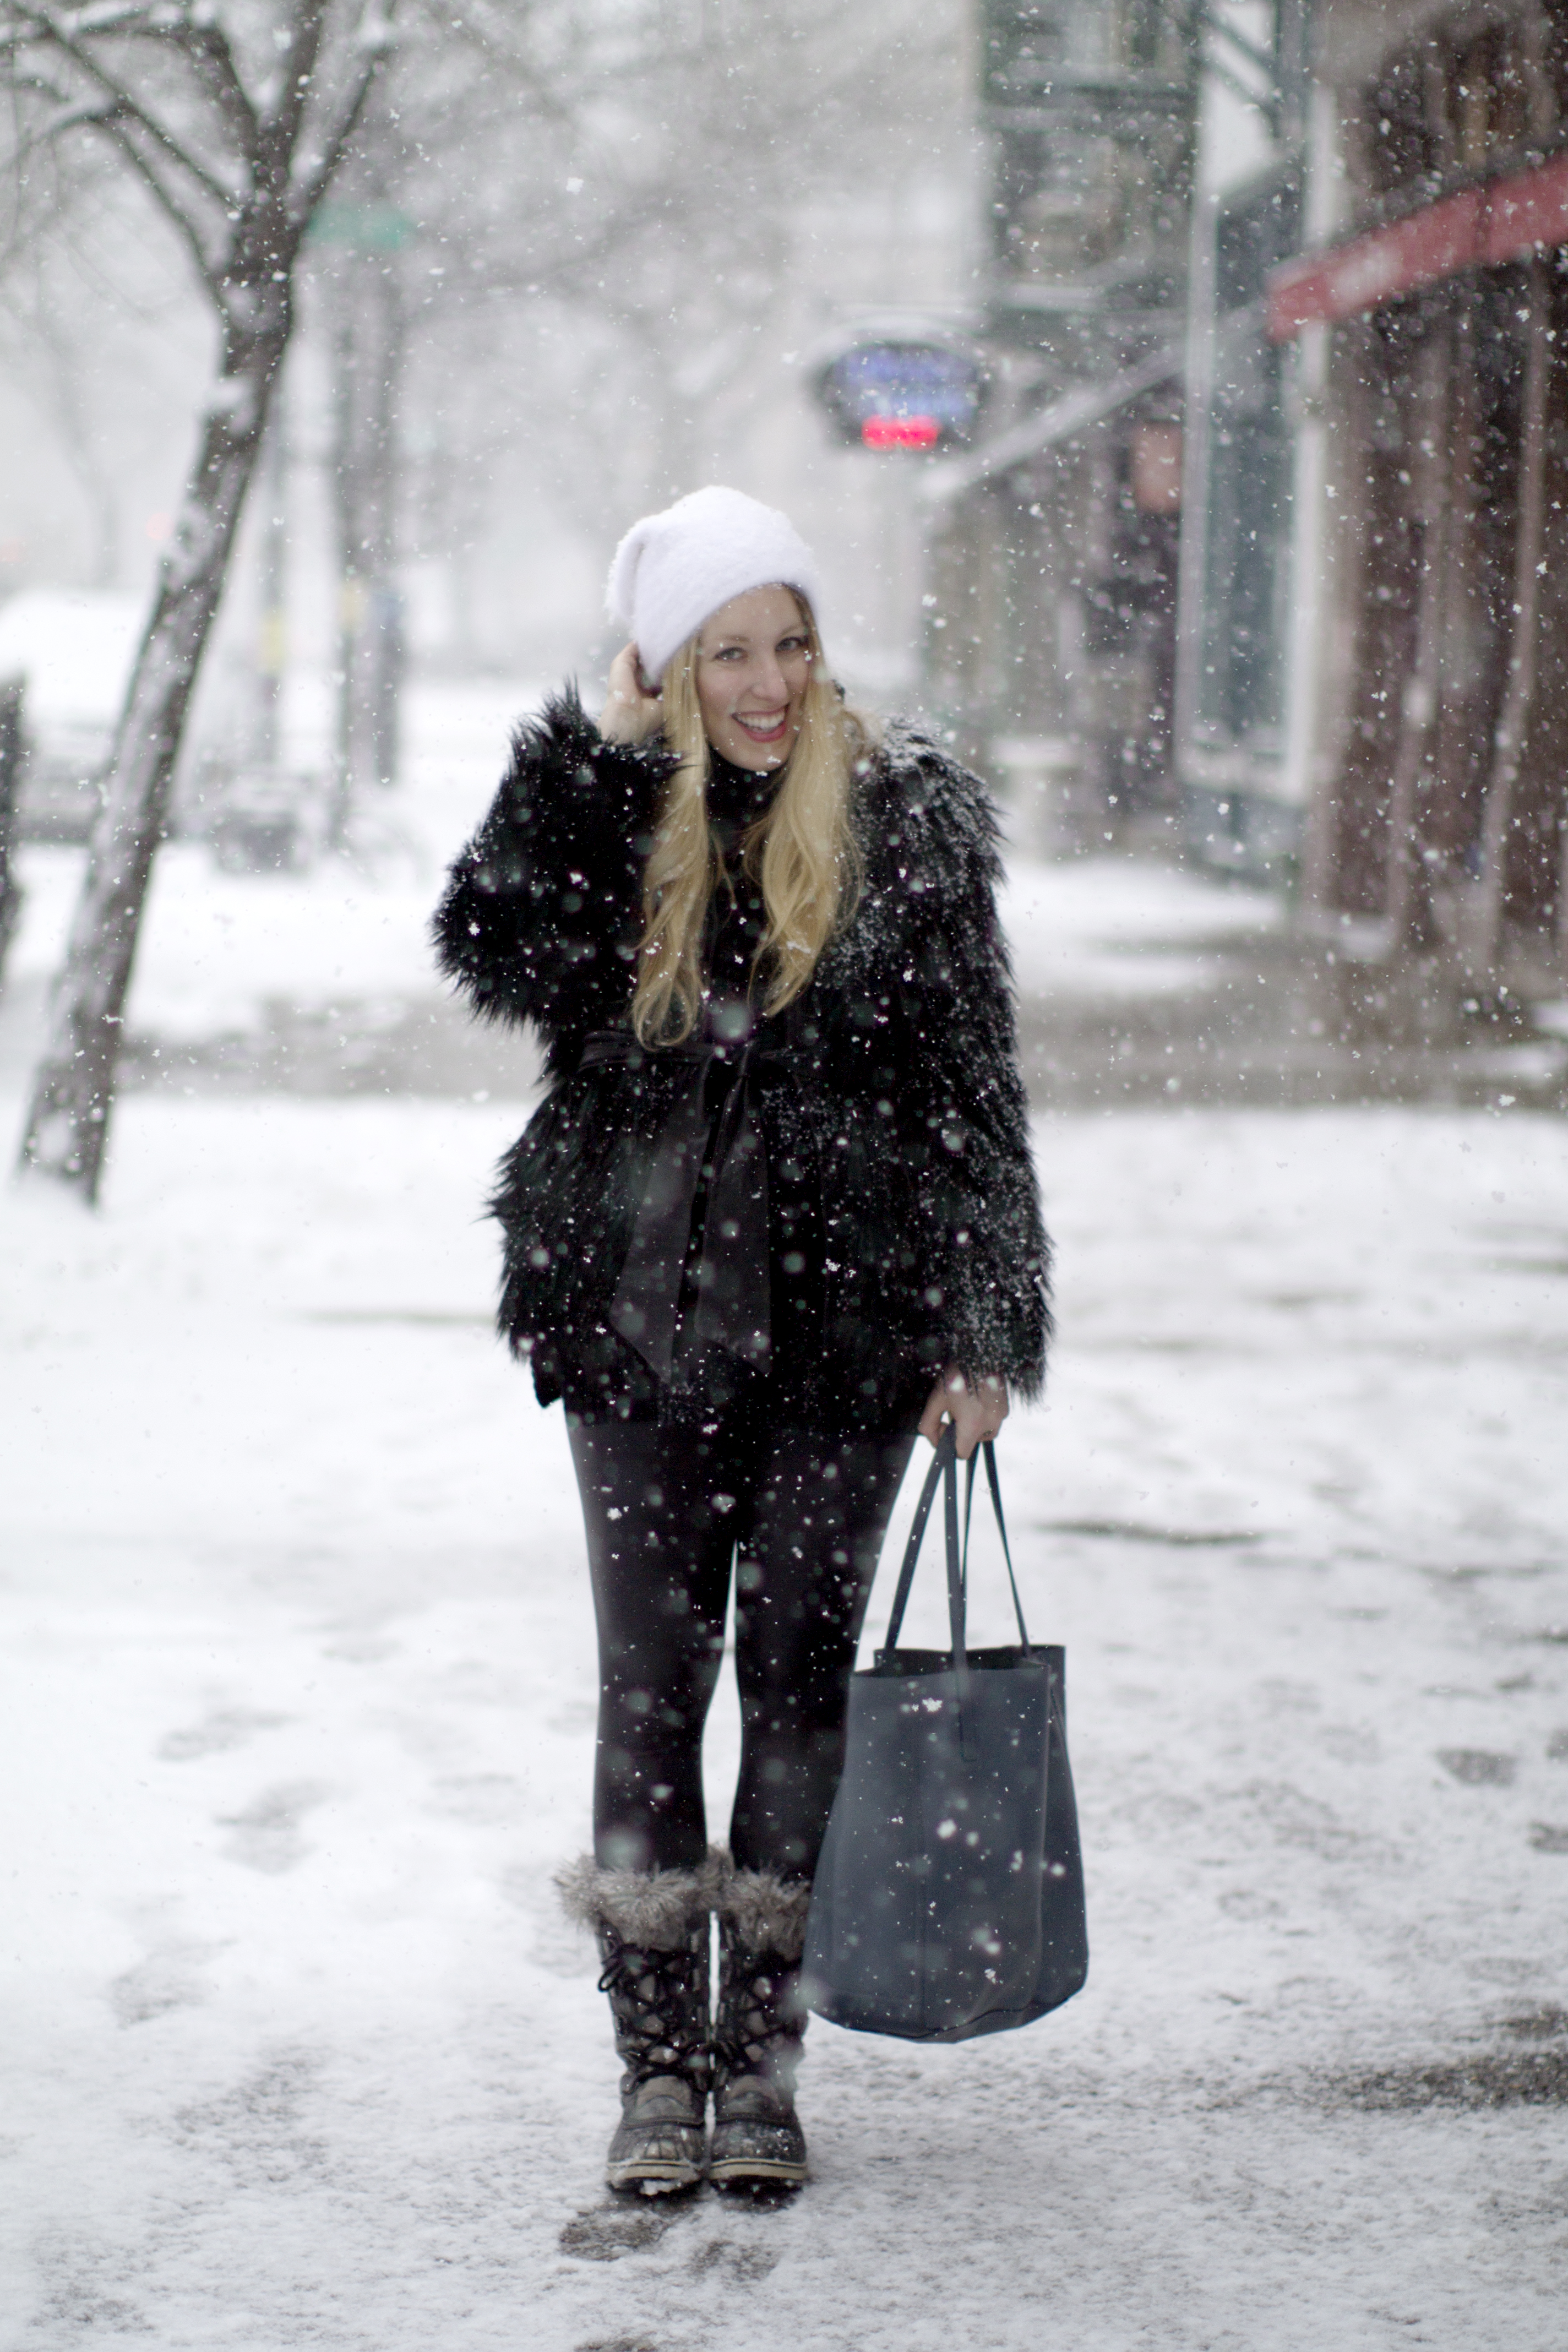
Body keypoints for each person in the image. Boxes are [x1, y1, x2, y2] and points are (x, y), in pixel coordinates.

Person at [433, 486, 1049, 2196]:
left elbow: (971, 1093)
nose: (769, 683)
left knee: (793, 1696)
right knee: (650, 1698)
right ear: (672, 662)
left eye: (789, 643)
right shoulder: (615, 817)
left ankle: (761, 2072)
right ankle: (654, 2075)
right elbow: (488, 941)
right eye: (728, 651)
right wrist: (606, 754)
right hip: (637, 1331)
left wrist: (984, 1320)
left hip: (846, 1332)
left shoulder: (910, 820)